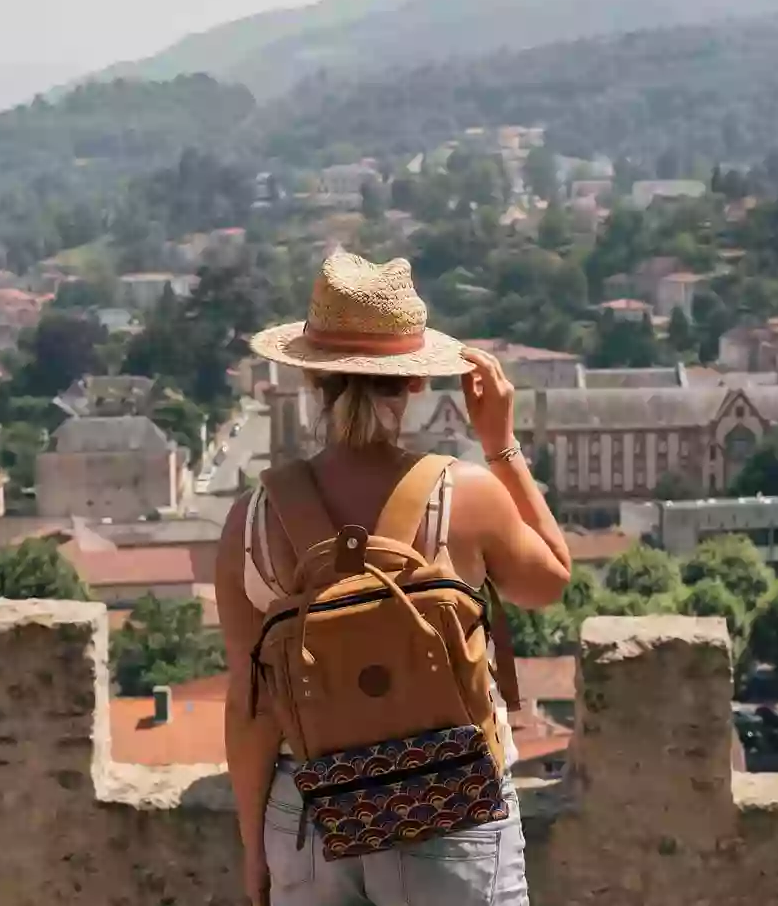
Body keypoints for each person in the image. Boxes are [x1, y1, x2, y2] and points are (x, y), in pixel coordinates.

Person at [218, 251, 573, 906]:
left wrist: (254, 849)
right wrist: (499, 444)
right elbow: (550, 580)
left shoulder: (250, 520)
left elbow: (250, 707)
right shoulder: (464, 493)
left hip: (308, 810)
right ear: (413, 382)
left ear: (312, 380)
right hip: (449, 801)